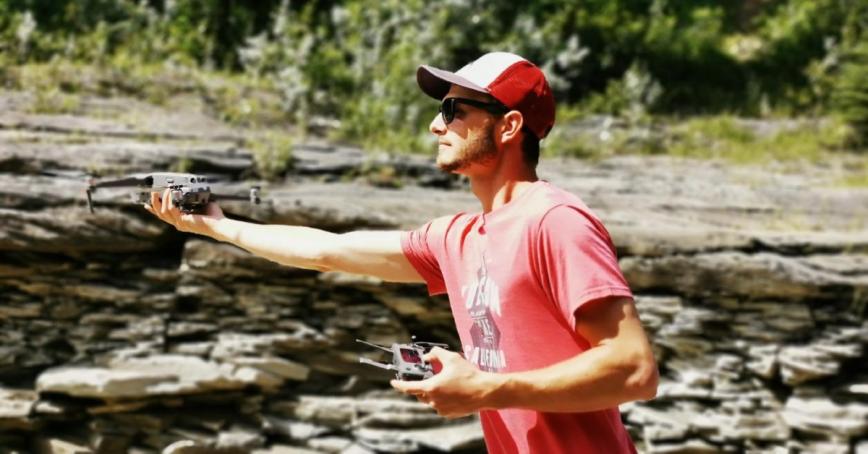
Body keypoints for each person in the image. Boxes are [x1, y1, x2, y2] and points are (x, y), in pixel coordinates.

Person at [146, 51, 657, 454]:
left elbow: (633, 368)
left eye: (454, 110)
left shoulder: (554, 222)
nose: (437, 125)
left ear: (508, 127)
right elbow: (329, 250)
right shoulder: (459, 237)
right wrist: (217, 226)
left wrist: (486, 389)